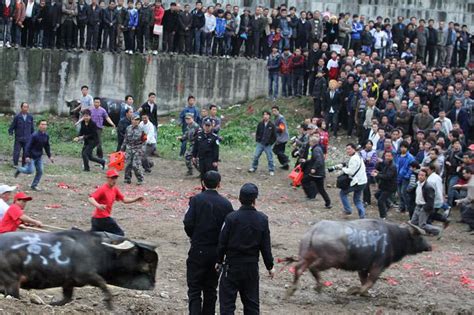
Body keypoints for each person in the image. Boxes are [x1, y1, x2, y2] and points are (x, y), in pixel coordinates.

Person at [216, 183, 275, 315]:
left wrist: (219, 260)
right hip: (251, 267)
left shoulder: (231, 218)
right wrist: (270, 266)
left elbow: (222, 242)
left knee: (227, 304)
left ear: (240, 198)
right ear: (255, 199)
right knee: (252, 304)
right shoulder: (262, 219)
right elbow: (265, 246)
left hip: (232, 266)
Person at [183, 171, 233, 315]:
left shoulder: (196, 200)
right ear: (219, 184)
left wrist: (193, 237)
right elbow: (227, 231)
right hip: (216, 252)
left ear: (203, 184)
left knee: (194, 290)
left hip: (198, 249)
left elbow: (188, 222)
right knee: (211, 289)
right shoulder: (226, 204)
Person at [88, 169, 143, 236]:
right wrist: (98, 205)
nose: (114, 180)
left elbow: (124, 199)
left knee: (93, 237)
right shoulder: (102, 189)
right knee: (120, 234)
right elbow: (90, 198)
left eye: (115, 178)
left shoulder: (115, 189)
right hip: (102, 219)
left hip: (96, 220)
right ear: (107, 178)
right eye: (112, 178)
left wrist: (135, 199)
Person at [14, 120, 54, 191]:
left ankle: (34, 185)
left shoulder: (46, 136)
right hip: (31, 156)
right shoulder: (34, 135)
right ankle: (19, 169)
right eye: (42, 124)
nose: (44, 126)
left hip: (39, 156)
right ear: (39, 126)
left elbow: (47, 146)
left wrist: (50, 156)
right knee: (30, 171)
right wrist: (27, 156)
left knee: (40, 171)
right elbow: (28, 146)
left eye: (45, 124)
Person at [300, 134, 331, 208]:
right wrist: (306, 161)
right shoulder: (318, 148)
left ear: (312, 143)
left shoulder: (315, 150)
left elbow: (319, 160)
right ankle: (328, 203)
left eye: (310, 142)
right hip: (320, 173)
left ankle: (310, 195)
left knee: (304, 181)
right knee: (321, 189)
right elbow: (314, 159)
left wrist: (314, 168)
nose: (309, 143)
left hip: (316, 173)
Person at [338, 143, 367, 218]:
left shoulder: (354, 158)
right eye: (347, 149)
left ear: (354, 149)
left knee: (342, 193)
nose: (347, 151)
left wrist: (342, 169)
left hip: (357, 182)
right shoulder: (358, 156)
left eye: (349, 149)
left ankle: (348, 209)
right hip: (362, 181)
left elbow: (351, 172)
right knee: (357, 199)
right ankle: (362, 216)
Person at [410, 169, 442, 236]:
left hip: (424, 206)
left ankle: (437, 230)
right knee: (413, 223)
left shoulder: (428, 187)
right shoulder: (418, 184)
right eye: (419, 175)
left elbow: (430, 201)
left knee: (422, 225)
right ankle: (417, 233)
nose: (420, 177)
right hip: (418, 205)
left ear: (426, 177)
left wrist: (424, 208)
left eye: (422, 175)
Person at [248, 111, 277, 176]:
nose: (265, 116)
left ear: (269, 116)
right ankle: (253, 167)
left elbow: (274, 136)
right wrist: (258, 139)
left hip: (268, 145)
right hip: (260, 143)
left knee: (270, 158)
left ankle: (271, 170)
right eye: (264, 114)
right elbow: (257, 132)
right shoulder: (260, 124)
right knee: (256, 156)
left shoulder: (272, 125)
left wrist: (270, 143)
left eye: (266, 114)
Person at [8, 102, 34, 168]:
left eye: (27, 107)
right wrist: (10, 133)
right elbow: (12, 126)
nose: (25, 108)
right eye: (24, 107)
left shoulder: (30, 117)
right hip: (18, 138)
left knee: (26, 152)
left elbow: (32, 128)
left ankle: (24, 164)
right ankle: (15, 164)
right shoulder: (17, 117)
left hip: (27, 138)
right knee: (16, 151)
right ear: (21, 107)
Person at [372, 151, 397, 219]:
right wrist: (378, 172)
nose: (387, 157)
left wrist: (377, 175)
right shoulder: (387, 163)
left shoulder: (393, 166)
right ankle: (389, 204)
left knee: (380, 201)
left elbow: (388, 176)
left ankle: (383, 216)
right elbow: (384, 172)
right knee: (377, 195)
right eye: (386, 156)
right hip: (384, 186)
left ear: (392, 157)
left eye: (389, 156)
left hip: (390, 187)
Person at [121, 114, 145, 185]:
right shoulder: (128, 128)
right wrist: (122, 149)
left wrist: (142, 150)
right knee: (128, 164)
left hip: (137, 149)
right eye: (134, 119)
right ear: (131, 120)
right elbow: (125, 139)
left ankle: (140, 179)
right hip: (129, 148)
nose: (135, 121)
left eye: (137, 120)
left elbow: (144, 141)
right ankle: (127, 179)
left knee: (135, 165)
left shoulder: (142, 129)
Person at [271, 106, 289, 170]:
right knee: (280, 151)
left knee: (276, 150)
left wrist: (273, 128)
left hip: (282, 138)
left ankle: (286, 159)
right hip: (280, 137)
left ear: (278, 111)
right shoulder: (276, 118)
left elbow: (281, 128)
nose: (274, 112)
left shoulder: (281, 118)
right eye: (273, 111)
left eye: (275, 110)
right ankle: (285, 165)